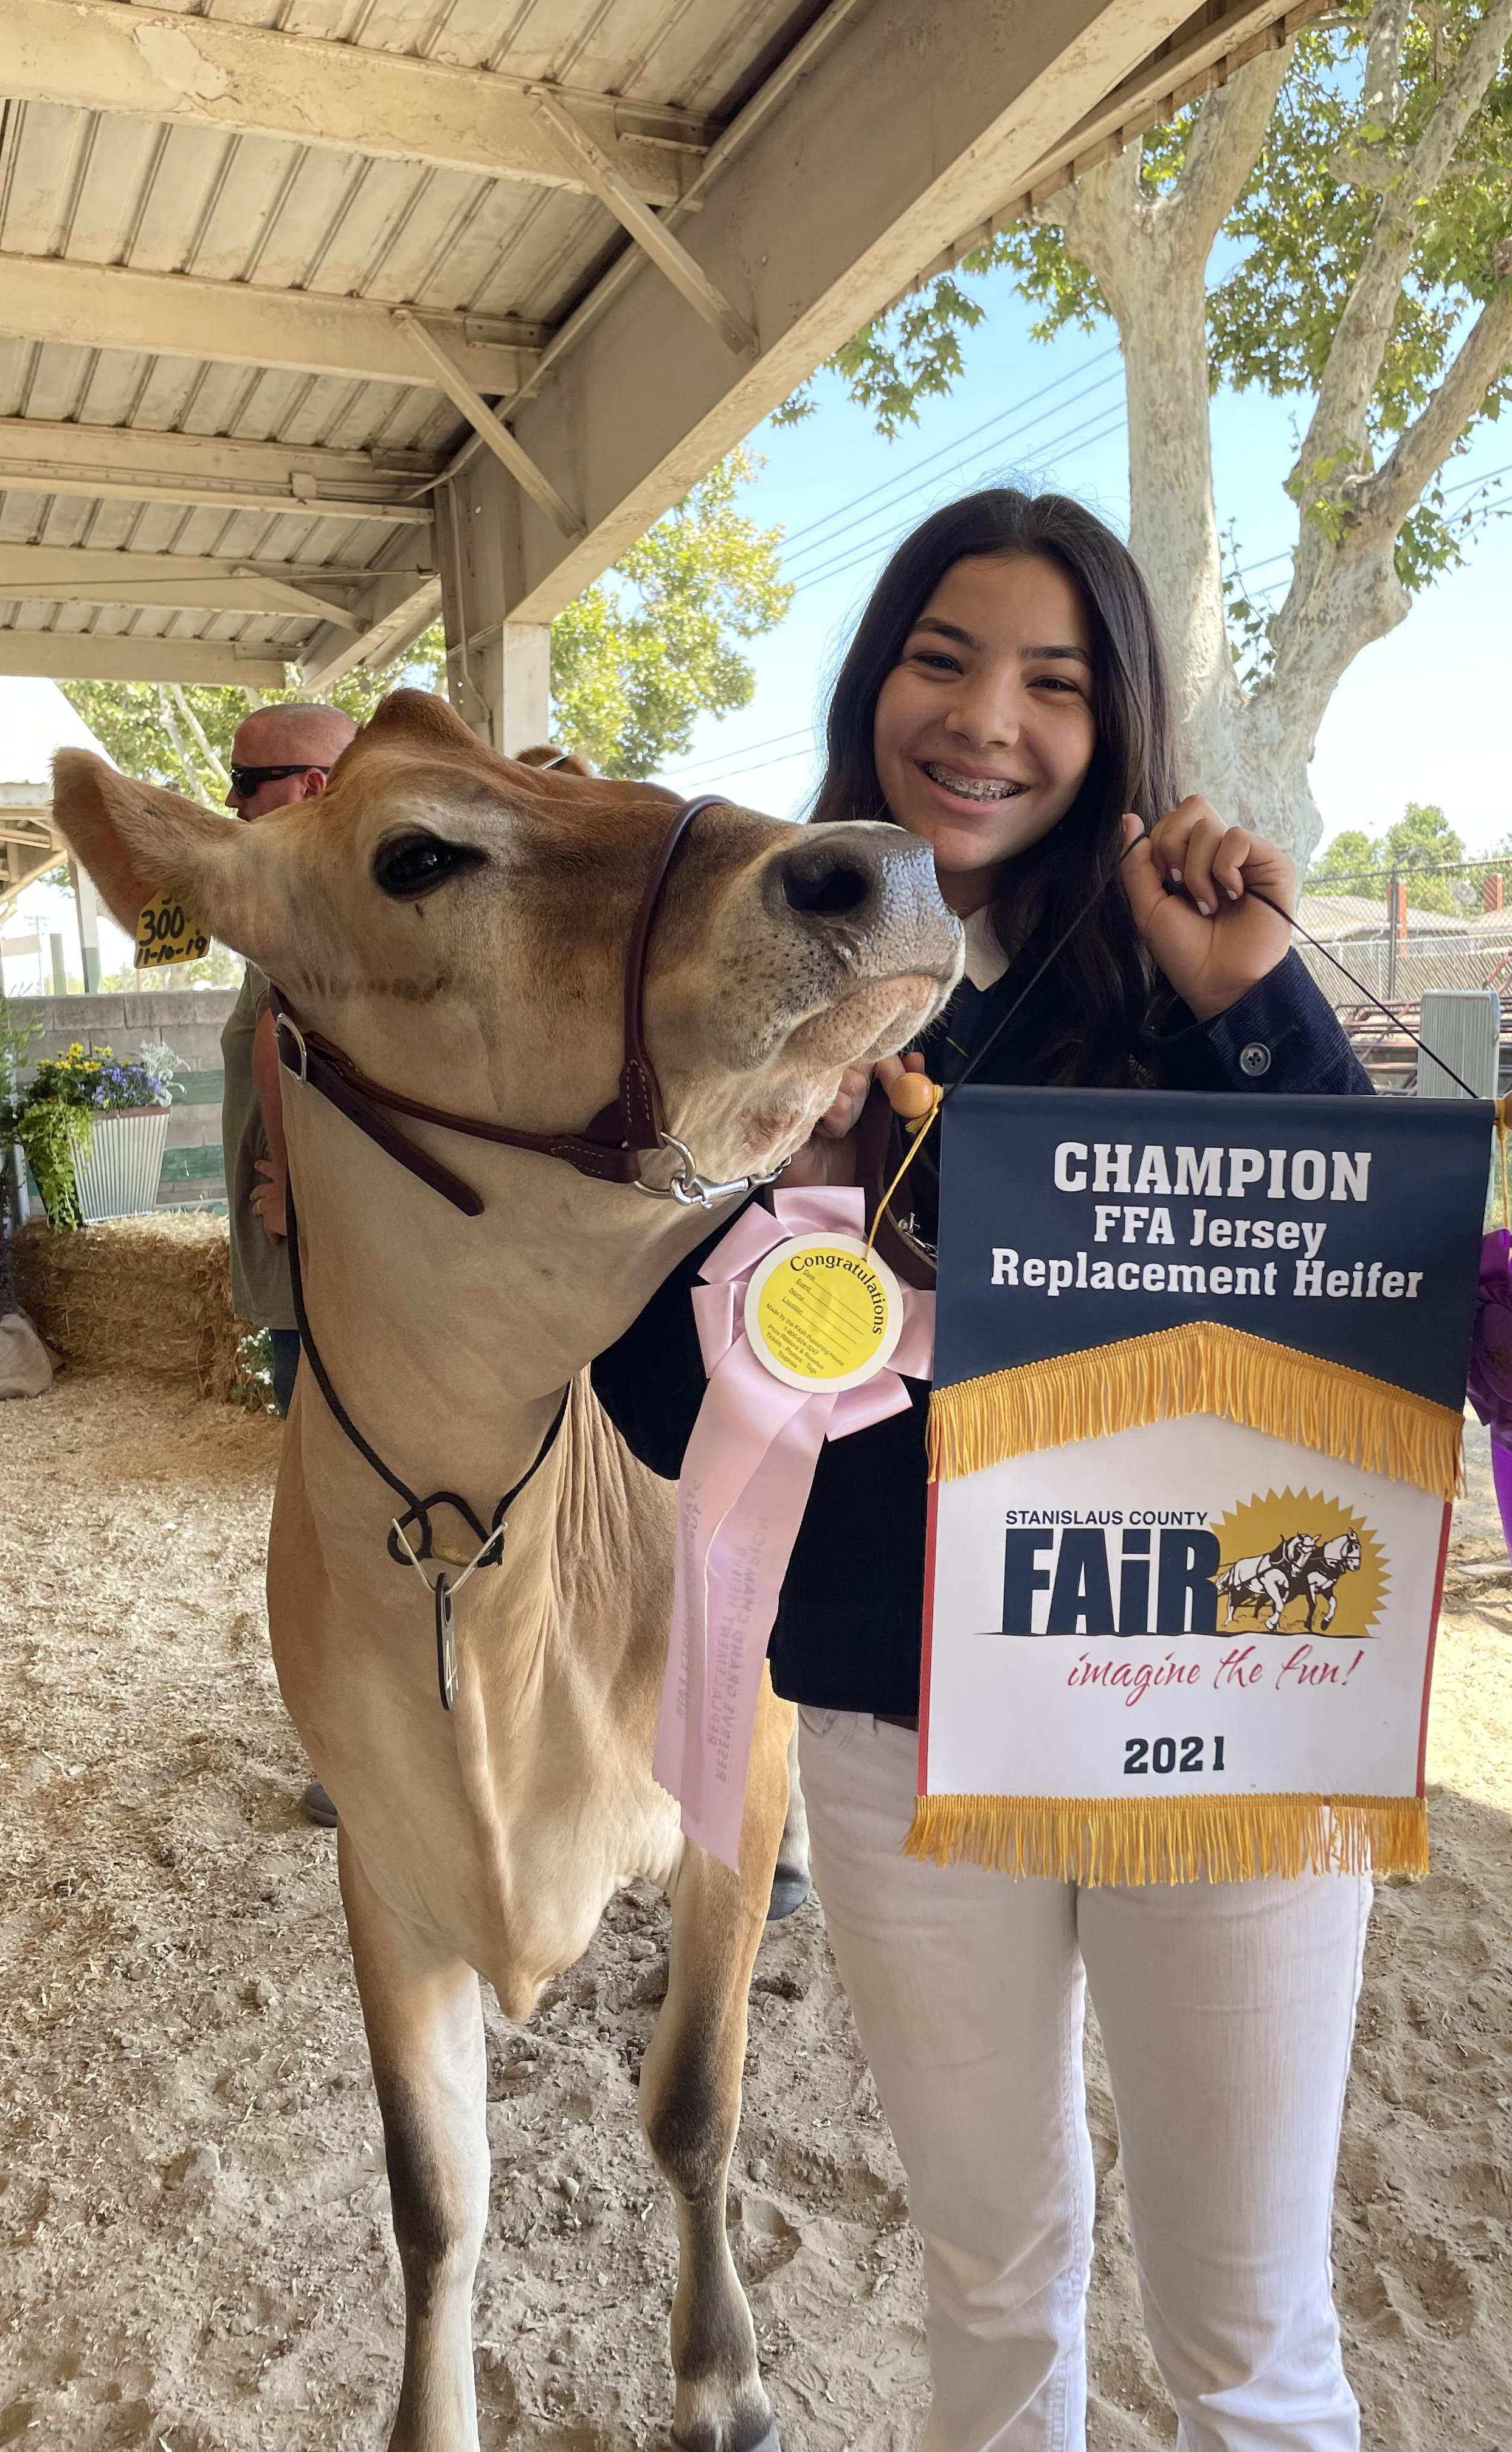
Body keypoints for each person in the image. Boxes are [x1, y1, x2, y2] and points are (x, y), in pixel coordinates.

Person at [592, 491, 1376, 2451]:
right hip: (900, 1726)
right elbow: (652, 1392)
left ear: (1118, 724)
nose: (987, 719)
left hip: (1228, 1717)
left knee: (1248, 2340)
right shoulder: (748, 978)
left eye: (1055, 678)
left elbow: (1368, 1316)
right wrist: (787, 1211)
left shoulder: (1203, 968)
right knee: (992, 2280)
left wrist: (1254, 1006)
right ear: (876, 683)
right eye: (945, 657)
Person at [218, 700, 356, 1832]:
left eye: (244, 780)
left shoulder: (315, 920)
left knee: (344, 1509)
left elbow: (285, 1036)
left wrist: (299, 1189)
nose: (232, 804)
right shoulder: (308, 908)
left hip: (325, 1271)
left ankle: (366, 1751)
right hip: (315, 1265)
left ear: (310, 785)